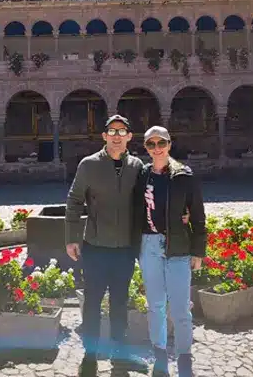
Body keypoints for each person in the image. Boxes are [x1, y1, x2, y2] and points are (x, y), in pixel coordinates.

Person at [65, 114, 146, 376]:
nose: (116, 136)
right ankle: (90, 355)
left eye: (122, 131)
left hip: (124, 249)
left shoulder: (137, 167)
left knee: (120, 303)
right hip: (96, 246)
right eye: (112, 131)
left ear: (129, 137)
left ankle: (119, 354)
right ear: (104, 136)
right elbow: (74, 201)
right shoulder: (89, 165)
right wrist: (71, 237)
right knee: (92, 302)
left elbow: (149, 201)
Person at [133, 126, 206, 377]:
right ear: (146, 148)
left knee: (180, 307)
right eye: (151, 144)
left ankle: (184, 358)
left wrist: (198, 251)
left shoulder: (184, 175)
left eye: (160, 143)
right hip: (149, 245)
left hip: (178, 247)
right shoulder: (142, 175)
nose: (156, 148)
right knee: (155, 305)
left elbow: (197, 215)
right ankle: (160, 355)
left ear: (169, 144)